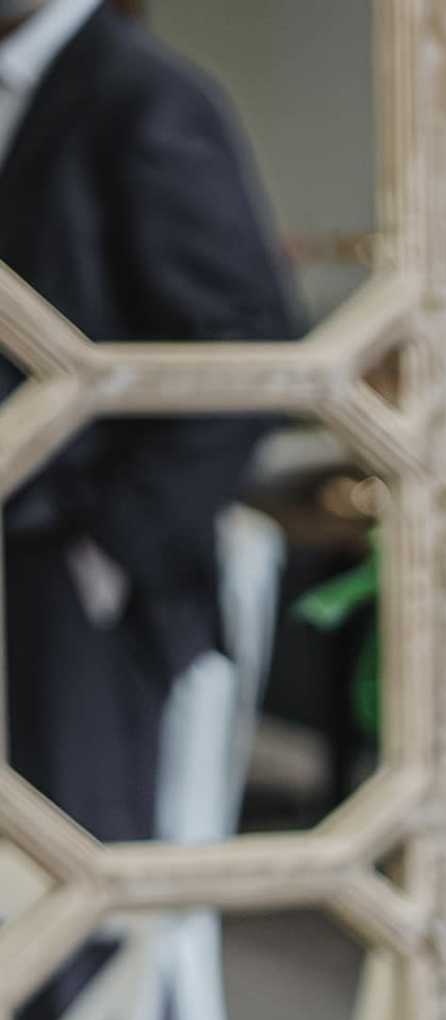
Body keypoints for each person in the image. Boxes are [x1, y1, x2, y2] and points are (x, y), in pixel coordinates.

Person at [0, 0, 301, 865]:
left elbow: (245, 349)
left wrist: (109, 550)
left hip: (78, 577)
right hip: (27, 555)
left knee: (70, 884)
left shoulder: (142, 96)